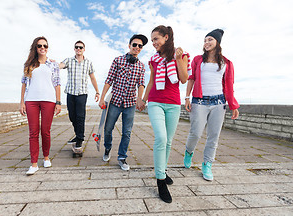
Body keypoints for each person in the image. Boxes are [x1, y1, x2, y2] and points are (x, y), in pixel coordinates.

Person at [139, 25, 189, 203]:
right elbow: (151, 80)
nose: (153, 43)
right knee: (161, 138)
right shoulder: (153, 60)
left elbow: (183, 79)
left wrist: (177, 59)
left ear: (166, 37)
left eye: (156, 39)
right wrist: (143, 99)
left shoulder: (180, 54)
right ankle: (160, 180)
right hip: (155, 102)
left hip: (174, 104)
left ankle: (164, 170)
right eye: (152, 40)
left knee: (168, 141)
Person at [184, 29, 239, 182]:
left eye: (210, 40)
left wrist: (233, 105)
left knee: (213, 136)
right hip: (199, 101)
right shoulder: (197, 60)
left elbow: (229, 85)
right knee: (195, 132)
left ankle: (207, 164)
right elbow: (191, 79)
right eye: (205, 40)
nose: (206, 43)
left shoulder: (227, 63)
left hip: (219, 102)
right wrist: (187, 97)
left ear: (217, 42)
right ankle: (189, 152)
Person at [99, 34, 147, 171]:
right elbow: (109, 80)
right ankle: (107, 148)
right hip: (115, 101)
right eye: (135, 45)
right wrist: (102, 98)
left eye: (140, 46)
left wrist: (140, 99)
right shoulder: (118, 60)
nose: (137, 47)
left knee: (127, 132)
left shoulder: (141, 66)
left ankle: (122, 157)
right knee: (108, 129)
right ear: (129, 46)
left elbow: (141, 84)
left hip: (130, 104)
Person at [20, 36, 61, 175]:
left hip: (49, 100)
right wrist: (22, 103)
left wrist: (58, 102)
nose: (43, 48)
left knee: (45, 131)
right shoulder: (29, 64)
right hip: (31, 100)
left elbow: (57, 84)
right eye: (40, 46)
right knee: (33, 132)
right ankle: (34, 164)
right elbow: (24, 84)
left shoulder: (53, 64)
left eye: (45, 46)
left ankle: (46, 157)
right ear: (35, 48)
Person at [59, 40, 99, 150]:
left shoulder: (88, 62)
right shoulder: (69, 60)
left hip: (82, 93)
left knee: (80, 117)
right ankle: (78, 136)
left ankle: (80, 139)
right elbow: (60, 65)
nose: (78, 49)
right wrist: (53, 64)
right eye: (76, 47)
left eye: (81, 47)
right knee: (72, 116)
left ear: (84, 49)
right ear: (74, 49)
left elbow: (92, 78)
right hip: (70, 93)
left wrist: (97, 91)